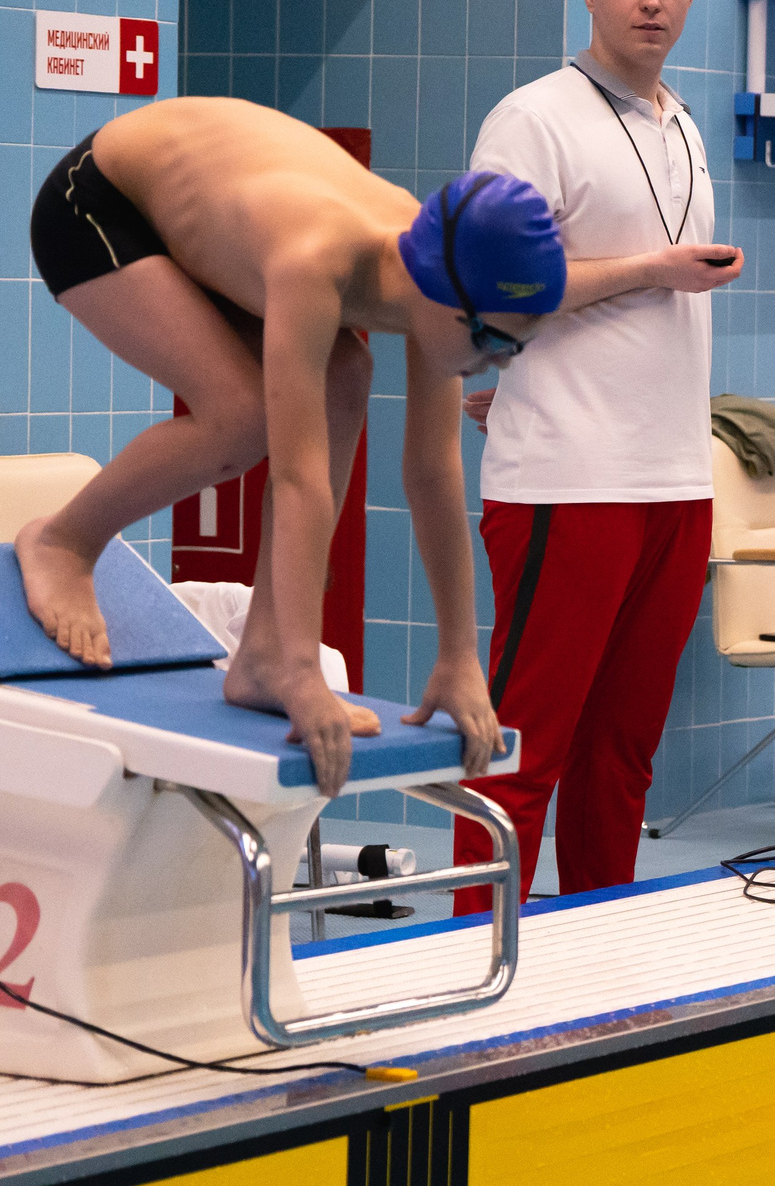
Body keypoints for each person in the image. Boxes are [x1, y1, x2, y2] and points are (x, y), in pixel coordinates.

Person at [18, 98, 538, 795]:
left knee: (346, 375)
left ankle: (261, 651)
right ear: (448, 299)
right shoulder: (314, 257)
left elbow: (434, 473)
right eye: (495, 340)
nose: (498, 362)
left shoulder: (434, 272)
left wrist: (458, 655)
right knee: (238, 415)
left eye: (516, 346)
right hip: (101, 200)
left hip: (211, 201)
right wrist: (306, 670)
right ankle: (64, 541)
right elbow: (297, 480)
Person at [452, 0, 744, 911]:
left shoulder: (683, 120)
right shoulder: (534, 118)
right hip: (567, 481)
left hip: (673, 475)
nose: (650, 2)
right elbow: (486, 287)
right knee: (525, 745)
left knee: (623, 754)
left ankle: (596, 950)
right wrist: (653, 268)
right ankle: (465, 953)